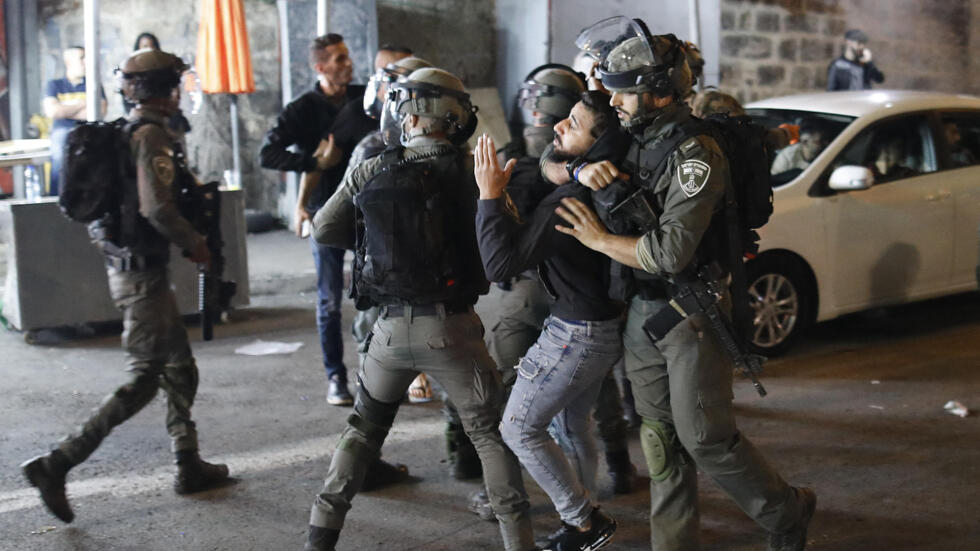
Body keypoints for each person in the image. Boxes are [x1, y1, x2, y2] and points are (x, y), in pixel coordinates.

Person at [550, 18, 817, 551]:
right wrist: (577, 172)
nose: (613, 100)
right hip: (641, 313)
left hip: (691, 312)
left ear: (657, 93)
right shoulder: (628, 131)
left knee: (706, 440)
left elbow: (671, 253)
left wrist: (600, 240)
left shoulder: (696, 153)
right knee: (660, 441)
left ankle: (787, 512)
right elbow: (550, 153)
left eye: (623, 92)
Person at [304, 67, 535, 551]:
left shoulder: (372, 167)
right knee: (489, 437)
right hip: (454, 332)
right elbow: (507, 244)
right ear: (454, 117)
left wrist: (377, 243)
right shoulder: (474, 171)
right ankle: (519, 540)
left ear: (408, 115)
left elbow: (324, 229)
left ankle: (319, 536)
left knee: (362, 432)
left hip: (387, 333)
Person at [21, 49, 229, 524]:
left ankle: (188, 462)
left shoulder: (132, 129)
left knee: (180, 368)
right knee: (144, 377)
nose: (181, 92)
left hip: (138, 269)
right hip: (141, 276)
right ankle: (58, 463)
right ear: (164, 88)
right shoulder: (150, 135)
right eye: (176, 84)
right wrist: (195, 242)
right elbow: (156, 208)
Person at [473, 89, 631, 551]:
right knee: (572, 425)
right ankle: (583, 516)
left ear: (598, 146)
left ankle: (583, 520)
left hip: (576, 334)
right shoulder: (601, 181)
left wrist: (489, 196)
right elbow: (551, 162)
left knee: (518, 427)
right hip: (602, 327)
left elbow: (499, 266)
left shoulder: (571, 201)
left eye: (573, 124)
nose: (558, 125)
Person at [259, 34, 360, 407]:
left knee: (381, 293)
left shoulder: (362, 99)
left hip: (366, 211)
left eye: (347, 56)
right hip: (324, 213)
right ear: (320, 67)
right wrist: (313, 163)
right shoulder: (302, 109)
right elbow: (267, 154)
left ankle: (381, 375)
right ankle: (336, 377)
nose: (348, 64)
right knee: (329, 300)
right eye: (339, 59)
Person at [43, 45, 106, 195]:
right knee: (59, 153)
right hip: (62, 133)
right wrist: (83, 104)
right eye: (81, 58)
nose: (85, 62)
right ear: (68, 61)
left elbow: (99, 112)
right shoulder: (54, 85)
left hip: (89, 131)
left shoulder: (94, 85)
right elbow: (53, 111)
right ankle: (56, 196)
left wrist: (65, 110)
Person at [123, 33, 161, 115]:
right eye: (145, 46)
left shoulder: (163, 71)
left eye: (152, 46)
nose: (149, 50)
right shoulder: (131, 72)